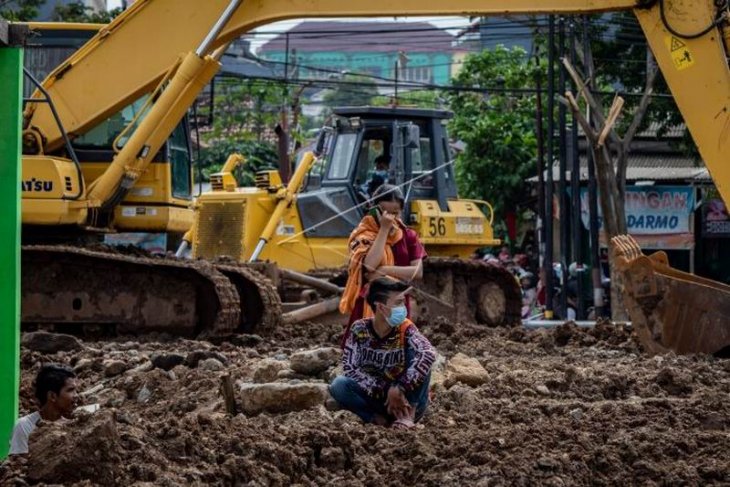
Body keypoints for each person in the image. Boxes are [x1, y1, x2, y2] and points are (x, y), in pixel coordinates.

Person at [330, 278, 436, 429]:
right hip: (379, 398)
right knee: (338, 385)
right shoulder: (359, 329)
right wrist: (386, 390)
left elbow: (428, 353)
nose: (403, 307)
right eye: (398, 303)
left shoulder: (406, 328)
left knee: (421, 356)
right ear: (381, 307)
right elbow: (350, 368)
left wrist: (399, 388)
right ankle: (374, 418)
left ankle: (409, 415)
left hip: (406, 399)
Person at [339, 184, 426, 342]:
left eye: (395, 213)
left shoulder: (409, 236)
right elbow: (370, 264)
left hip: (397, 302)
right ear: (375, 210)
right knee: (363, 353)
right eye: (386, 213)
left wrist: (385, 270)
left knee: (396, 352)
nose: (391, 218)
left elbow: (417, 272)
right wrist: (384, 230)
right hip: (370, 302)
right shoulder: (363, 234)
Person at [8, 364, 78, 455]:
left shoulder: (73, 426)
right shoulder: (25, 426)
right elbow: (18, 464)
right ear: (52, 396)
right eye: (70, 390)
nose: (76, 395)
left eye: (76, 390)